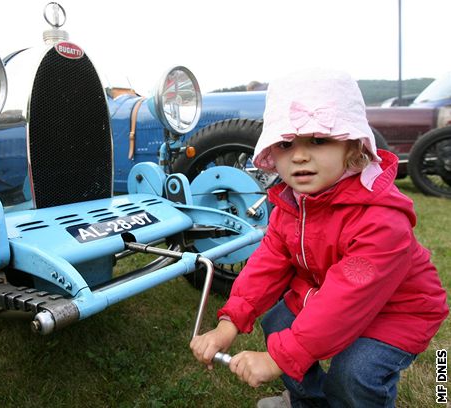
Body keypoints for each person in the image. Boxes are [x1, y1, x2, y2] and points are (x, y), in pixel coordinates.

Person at [190, 68, 449, 407]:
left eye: (318, 140)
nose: (299, 155)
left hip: (397, 312)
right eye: (286, 144)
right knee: (277, 327)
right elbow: (267, 264)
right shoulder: (292, 204)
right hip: (323, 295)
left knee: (355, 373)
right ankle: (308, 401)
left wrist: (279, 359)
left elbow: (346, 300)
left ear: (353, 148)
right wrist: (231, 320)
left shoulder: (381, 219)